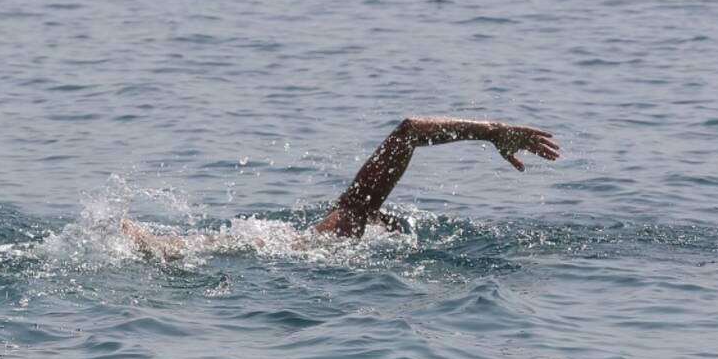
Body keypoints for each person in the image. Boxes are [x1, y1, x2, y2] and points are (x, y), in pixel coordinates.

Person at [121, 116, 560, 261]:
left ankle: (159, 245)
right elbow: (408, 130)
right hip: (279, 254)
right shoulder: (350, 218)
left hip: (267, 247)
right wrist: (491, 132)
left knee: (209, 246)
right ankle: (160, 247)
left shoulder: (342, 227)